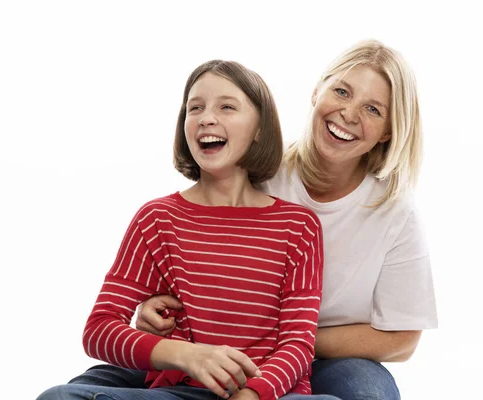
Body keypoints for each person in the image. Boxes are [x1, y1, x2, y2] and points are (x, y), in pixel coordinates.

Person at [136, 39, 438, 400]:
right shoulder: (257, 175)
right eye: (341, 91)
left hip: (322, 357)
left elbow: (402, 339)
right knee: (90, 384)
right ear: (316, 92)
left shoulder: (396, 214)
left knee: (367, 389)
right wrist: (152, 310)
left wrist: (288, 342)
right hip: (218, 348)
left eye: (372, 109)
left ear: (389, 130)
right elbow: (193, 254)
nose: (349, 113)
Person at [37, 60, 338, 400]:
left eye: (227, 106)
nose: (207, 117)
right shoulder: (157, 219)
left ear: (259, 129)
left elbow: (298, 345)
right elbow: (100, 330)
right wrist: (185, 356)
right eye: (195, 108)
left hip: (272, 395)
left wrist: (251, 394)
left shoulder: (298, 226)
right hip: (183, 393)